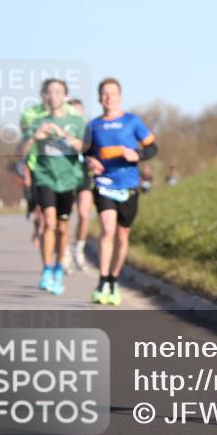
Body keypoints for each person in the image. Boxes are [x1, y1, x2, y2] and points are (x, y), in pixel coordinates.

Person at [84, 78, 158, 306]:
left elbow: (153, 148)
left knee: (122, 235)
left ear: (120, 97)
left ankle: (114, 280)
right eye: (105, 94)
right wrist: (90, 162)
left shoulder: (132, 121)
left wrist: (138, 155)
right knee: (107, 230)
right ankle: (102, 281)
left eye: (113, 93)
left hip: (128, 185)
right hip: (104, 183)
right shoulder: (93, 126)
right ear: (99, 98)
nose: (109, 97)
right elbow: (85, 154)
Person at [19, 79, 87, 296]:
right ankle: (46, 269)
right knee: (49, 222)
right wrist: (34, 138)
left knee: (62, 227)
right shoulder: (38, 122)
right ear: (43, 96)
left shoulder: (77, 121)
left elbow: (85, 147)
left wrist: (63, 135)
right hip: (45, 177)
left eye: (58, 92)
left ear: (65, 96)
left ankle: (59, 268)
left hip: (68, 180)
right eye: (49, 92)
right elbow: (21, 150)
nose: (53, 96)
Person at [67, 98, 93, 272]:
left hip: (83, 174)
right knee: (65, 217)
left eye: (79, 111)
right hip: (66, 175)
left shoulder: (89, 131)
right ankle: (64, 253)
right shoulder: (61, 130)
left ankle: (79, 249)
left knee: (84, 213)